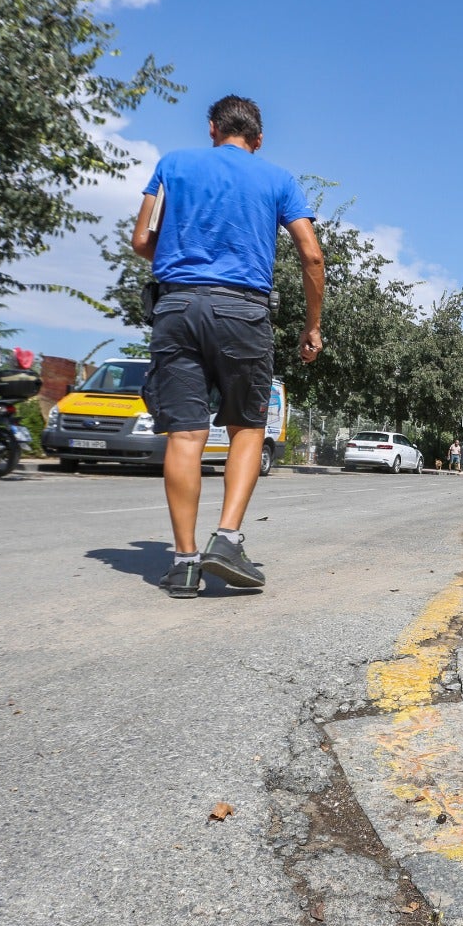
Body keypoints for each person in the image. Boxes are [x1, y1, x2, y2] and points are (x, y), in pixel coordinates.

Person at [131, 95, 325, 599]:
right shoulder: (278, 179)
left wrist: (173, 254)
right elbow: (311, 254)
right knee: (247, 427)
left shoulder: (173, 164)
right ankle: (229, 538)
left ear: (213, 128)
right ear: (258, 140)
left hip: (175, 308)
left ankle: (184, 563)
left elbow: (140, 240)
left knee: (185, 437)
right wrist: (312, 325)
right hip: (242, 312)